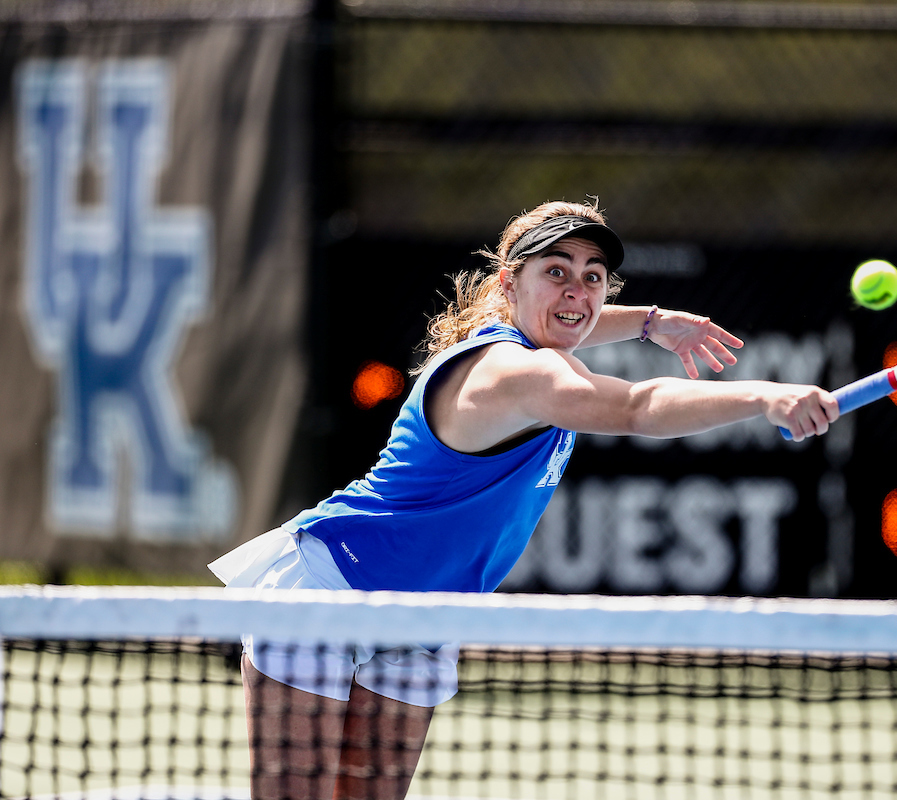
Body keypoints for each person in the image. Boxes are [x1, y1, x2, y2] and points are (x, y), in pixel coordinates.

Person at [209, 199, 839, 800]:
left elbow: (573, 320)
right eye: (556, 272)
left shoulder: (535, 342)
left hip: (424, 616)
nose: (577, 291)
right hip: (329, 586)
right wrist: (764, 397)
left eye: (594, 277)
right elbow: (636, 407)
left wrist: (650, 322)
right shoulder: (516, 372)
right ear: (509, 283)